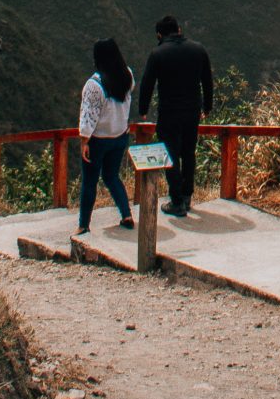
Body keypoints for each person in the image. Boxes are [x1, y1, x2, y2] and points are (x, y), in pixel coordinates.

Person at [137, 14, 215, 217]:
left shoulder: (158, 54)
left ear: (159, 35)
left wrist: (143, 109)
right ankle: (187, 196)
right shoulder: (198, 50)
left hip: (169, 112)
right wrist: (207, 106)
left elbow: (147, 83)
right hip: (192, 111)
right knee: (188, 152)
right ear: (179, 30)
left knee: (170, 155)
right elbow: (207, 81)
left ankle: (177, 201)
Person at [76, 36, 135, 234]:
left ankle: (83, 225)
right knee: (111, 176)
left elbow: (89, 116)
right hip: (120, 136)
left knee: (89, 182)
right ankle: (126, 214)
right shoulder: (127, 76)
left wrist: (85, 141)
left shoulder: (94, 85)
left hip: (99, 140)